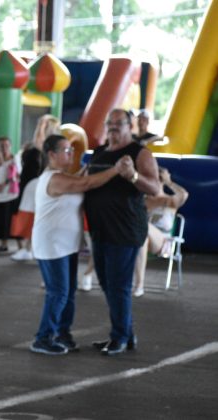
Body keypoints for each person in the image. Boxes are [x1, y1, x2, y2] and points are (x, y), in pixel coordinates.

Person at [29, 135, 134, 355]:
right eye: (66, 151)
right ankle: (43, 338)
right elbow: (85, 184)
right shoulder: (53, 178)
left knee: (68, 291)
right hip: (52, 244)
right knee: (58, 292)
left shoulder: (65, 176)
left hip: (67, 244)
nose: (71, 154)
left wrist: (87, 169)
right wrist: (116, 170)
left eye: (71, 150)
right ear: (52, 154)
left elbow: (80, 179)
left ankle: (62, 333)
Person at [85, 108, 160, 356]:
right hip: (99, 228)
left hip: (125, 230)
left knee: (118, 286)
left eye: (119, 122)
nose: (114, 126)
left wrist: (133, 175)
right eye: (110, 122)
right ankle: (126, 335)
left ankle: (119, 337)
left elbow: (155, 188)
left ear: (130, 126)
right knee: (107, 284)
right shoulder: (99, 152)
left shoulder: (140, 153)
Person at [133, 167, 189, 297]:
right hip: (141, 239)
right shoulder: (143, 201)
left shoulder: (170, 200)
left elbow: (184, 195)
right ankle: (139, 285)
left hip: (164, 243)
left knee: (143, 227)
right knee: (142, 237)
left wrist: (169, 182)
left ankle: (137, 284)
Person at [12, 114, 60, 261]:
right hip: (29, 182)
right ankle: (27, 247)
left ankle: (30, 247)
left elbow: (39, 142)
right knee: (29, 215)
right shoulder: (35, 147)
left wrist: (42, 124)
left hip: (37, 183)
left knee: (35, 215)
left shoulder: (50, 145)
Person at [0, 137, 20, 254]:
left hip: (11, 195)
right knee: (1, 221)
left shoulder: (14, 159)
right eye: (1, 145)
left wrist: (4, 184)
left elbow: (18, 175)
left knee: (12, 221)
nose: (4, 148)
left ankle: (20, 246)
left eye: (6, 145)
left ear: (10, 146)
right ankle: (3, 244)